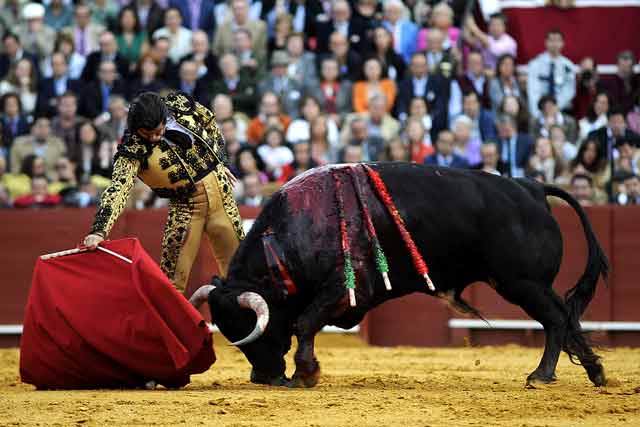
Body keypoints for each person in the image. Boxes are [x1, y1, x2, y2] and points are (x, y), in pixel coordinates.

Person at [82, 91, 244, 293]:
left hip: (222, 197)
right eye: (147, 135)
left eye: (158, 131)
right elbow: (118, 187)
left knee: (240, 270)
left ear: (165, 116)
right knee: (172, 285)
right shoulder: (131, 148)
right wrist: (99, 230)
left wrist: (221, 160)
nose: (155, 138)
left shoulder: (180, 105)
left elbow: (210, 122)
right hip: (185, 209)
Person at [526, 29, 575, 118]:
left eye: (557, 41)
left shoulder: (568, 66)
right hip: (538, 110)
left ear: (562, 43)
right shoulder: (535, 64)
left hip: (561, 109)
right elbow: (533, 90)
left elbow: (569, 90)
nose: (554, 44)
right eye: (551, 40)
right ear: (546, 42)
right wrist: (538, 112)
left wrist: (555, 108)